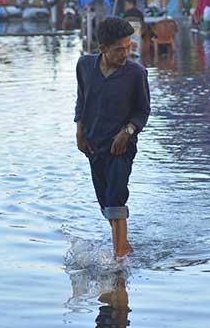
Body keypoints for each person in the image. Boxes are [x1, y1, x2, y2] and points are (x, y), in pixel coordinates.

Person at [75, 17, 150, 259]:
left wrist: (127, 132)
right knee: (105, 203)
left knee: (116, 195)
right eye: (119, 49)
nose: (125, 53)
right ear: (103, 49)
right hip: (93, 145)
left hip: (121, 146)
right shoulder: (85, 66)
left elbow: (142, 111)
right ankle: (124, 244)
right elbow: (82, 100)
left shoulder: (136, 73)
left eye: (128, 47)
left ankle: (119, 259)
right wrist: (79, 131)